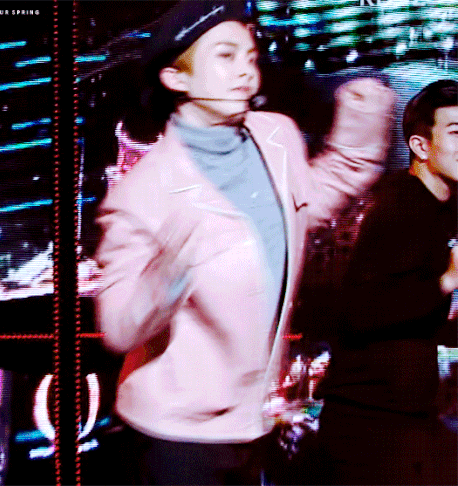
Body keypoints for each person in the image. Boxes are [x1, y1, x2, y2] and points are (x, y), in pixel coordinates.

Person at [94, 1, 394, 484]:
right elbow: (118, 328)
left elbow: (313, 200)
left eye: (251, 57)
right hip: (175, 437)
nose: (246, 72)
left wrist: (364, 114)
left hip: (253, 424)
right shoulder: (143, 191)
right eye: (226, 56)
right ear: (176, 78)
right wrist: (168, 274)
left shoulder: (276, 135)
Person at [315, 79, 458, 485]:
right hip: (369, 427)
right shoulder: (401, 206)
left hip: (403, 420)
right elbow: (360, 312)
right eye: (456, 132)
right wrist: (447, 280)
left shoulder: (439, 206)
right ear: (420, 146)